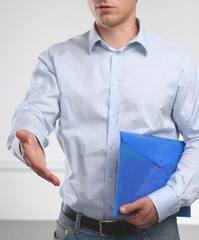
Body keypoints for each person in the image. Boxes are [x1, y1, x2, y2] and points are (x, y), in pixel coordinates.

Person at [7, 0, 199, 239]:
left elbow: (197, 139)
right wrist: (30, 136)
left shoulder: (177, 62)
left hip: (154, 232)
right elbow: (32, 112)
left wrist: (166, 200)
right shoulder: (56, 59)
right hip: (76, 231)